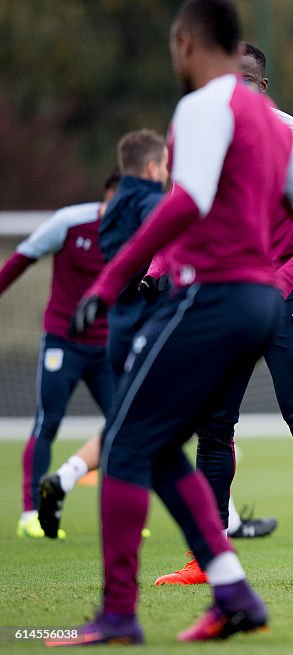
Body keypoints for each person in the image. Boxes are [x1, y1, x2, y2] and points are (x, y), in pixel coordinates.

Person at [50, 0, 293, 644]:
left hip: (215, 301)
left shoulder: (202, 109)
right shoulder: (271, 131)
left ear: (185, 44)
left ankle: (121, 615)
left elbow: (185, 205)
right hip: (251, 303)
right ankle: (230, 587)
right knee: (181, 436)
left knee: (132, 440)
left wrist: (112, 276)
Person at [154, 40, 293, 587]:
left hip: (287, 298)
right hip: (229, 302)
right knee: (213, 429)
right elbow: (184, 216)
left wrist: (280, 281)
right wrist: (155, 271)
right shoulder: (204, 139)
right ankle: (207, 557)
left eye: (241, 78)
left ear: (261, 86)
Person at [37, 132, 275, 543]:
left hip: (122, 338)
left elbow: (134, 259)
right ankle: (205, 549)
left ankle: (220, 546)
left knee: (154, 438)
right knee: (169, 438)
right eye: (165, 166)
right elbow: (177, 243)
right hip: (156, 338)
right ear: (153, 169)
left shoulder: (109, 214)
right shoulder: (155, 207)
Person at [0, 171, 120, 540]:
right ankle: (30, 513)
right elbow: (23, 257)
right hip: (62, 344)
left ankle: (117, 516)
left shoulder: (138, 232)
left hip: (108, 349)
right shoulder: (70, 223)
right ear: (110, 196)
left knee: (124, 427)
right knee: (47, 422)